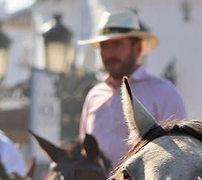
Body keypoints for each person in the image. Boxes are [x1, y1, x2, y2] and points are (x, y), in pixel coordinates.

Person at [77, 10, 185, 167]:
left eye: (118, 44)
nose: (109, 53)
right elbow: (84, 151)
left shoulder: (164, 93)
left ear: (138, 48)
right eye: (104, 46)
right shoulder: (94, 96)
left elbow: (181, 153)